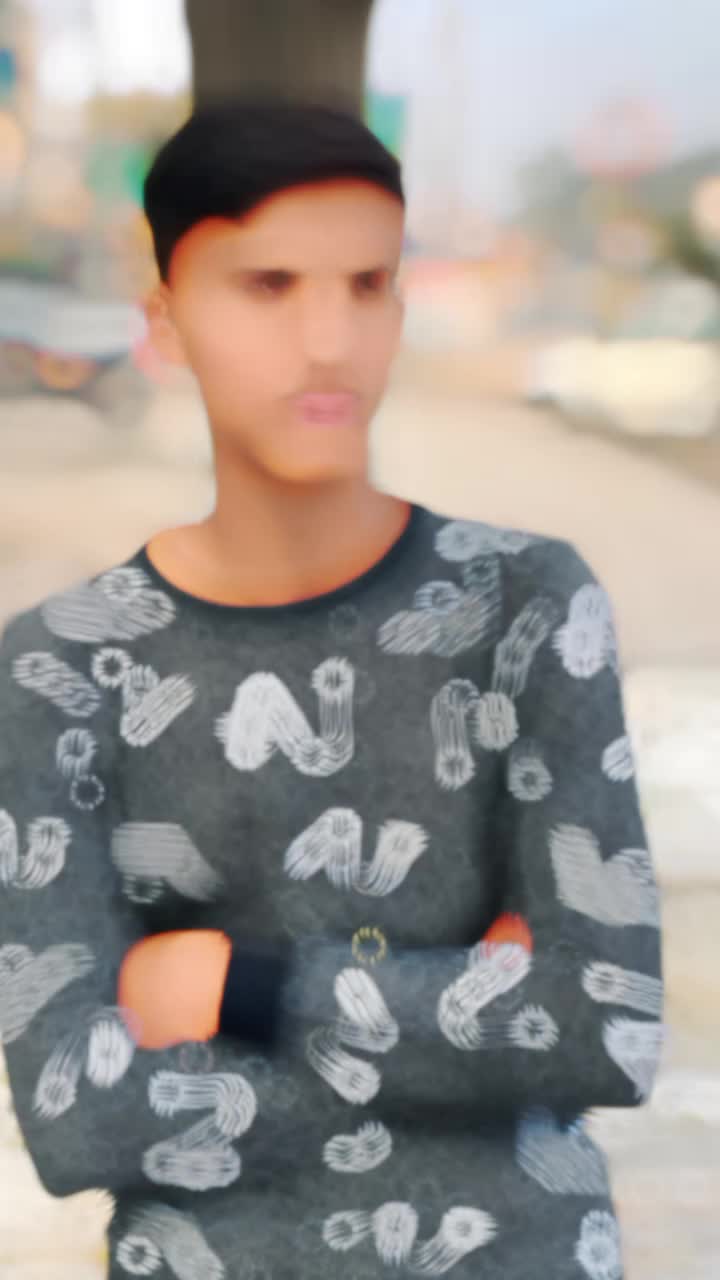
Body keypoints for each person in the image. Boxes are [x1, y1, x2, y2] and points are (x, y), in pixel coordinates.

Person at [0, 99, 664, 1279]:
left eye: (366, 284)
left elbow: (603, 1028)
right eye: (268, 285)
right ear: (165, 322)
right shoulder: (65, 665)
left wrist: (237, 983)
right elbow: (78, 1117)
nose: (327, 340)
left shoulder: (524, 604)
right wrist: (465, 1026)